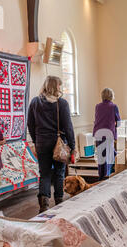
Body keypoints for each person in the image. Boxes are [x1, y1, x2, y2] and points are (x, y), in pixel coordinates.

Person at [27, 76, 76, 213]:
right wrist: (73, 146)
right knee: (59, 173)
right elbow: (68, 127)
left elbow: (30, 124)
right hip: (58, 144)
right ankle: (59, 201)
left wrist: (35, 141)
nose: (61, 88)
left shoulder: (35, 102)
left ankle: (44, 204)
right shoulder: (62, 104)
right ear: (56, 87)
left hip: (42, 142)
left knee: (44, 174)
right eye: (60, 86)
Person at [93, 88, 121, 180]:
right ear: (111, 96)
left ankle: (101, 176)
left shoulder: (97, 106)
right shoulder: (113, 107)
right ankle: (106, 175)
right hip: (108, 134)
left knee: (102, 155)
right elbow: (119, 122)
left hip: (98, 133)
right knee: (108, 155)